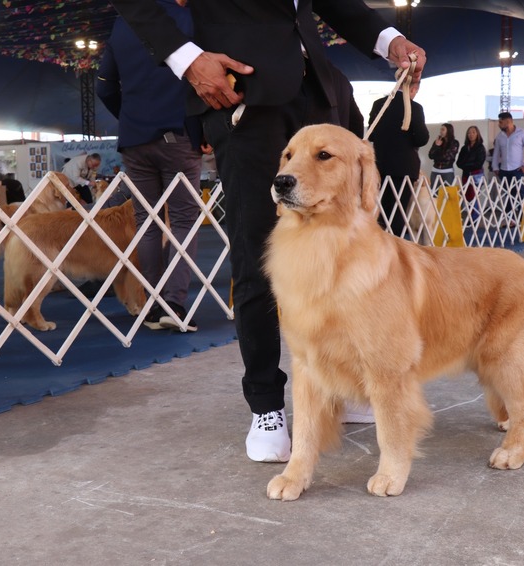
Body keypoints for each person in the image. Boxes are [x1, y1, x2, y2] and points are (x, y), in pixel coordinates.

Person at [110, 0, 426, 463]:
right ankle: (266, 405)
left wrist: (389, 40)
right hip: (242, 98)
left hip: (319, 93)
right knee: (259, 254)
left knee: (343, 251)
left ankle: (338, 388)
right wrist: (187, 57)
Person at [96, 0, 202, 333]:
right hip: (177, 133)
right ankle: (174, 303)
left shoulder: (122, 23)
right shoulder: (190, 19)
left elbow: (104, 87)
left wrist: (130, 120)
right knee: (184, 218)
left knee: (146, 220)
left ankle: (153, 305)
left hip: (133, 139)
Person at [368, 81, 430, 237]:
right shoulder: (415, 108)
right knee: (400, 211)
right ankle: (397, 250)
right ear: (414, 88)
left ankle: (379, 246)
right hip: (404, 168)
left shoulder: (378, 104)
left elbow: (372, 134)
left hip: (380, 166)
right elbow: (422, 139)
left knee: (381, 211)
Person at [492, 111, 524, 220]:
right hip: (504, 170)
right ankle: (510, 219)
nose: (499, 124)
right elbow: (496, 153)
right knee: (508, 194)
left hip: (518, 169)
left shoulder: (522, 133)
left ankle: (521, 217)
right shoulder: (500, 136)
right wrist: (495, 167)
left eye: (501, 122)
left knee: (520, 193)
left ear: (508, 121)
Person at [456, 125, 486, 203]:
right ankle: (469, 213)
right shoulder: (464, 148)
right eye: (469, 133)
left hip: (476, 175)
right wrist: (467, 165)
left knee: (474, 197)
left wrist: (466, 165)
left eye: (473, 132)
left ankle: (475, 215)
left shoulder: (480, 148)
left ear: (477, 134)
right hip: (465, 175)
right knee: (466, 197)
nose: (471, 135)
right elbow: (458, 163)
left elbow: (478, 164)